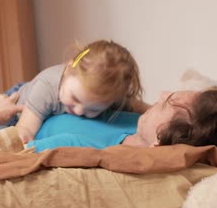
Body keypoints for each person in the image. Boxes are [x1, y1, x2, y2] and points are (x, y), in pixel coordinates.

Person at [0, 89, 217, 163]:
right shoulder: (134, 124)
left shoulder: (77, 150)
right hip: (25, 104)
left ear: (161, 142)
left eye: (169, 102)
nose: (161, 94)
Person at [10, 39, 150, 143]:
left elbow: (136, 106)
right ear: (69, 67)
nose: (79, 111)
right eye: (75, 99)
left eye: (94, 110)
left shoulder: (106, 96)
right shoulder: (46, 88)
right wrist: (23, 136)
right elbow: (26, 127)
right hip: (14, 107)